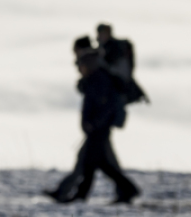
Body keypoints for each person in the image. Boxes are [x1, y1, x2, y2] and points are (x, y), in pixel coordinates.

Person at [47, 46, 139, 205]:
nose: (79, 69)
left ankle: (125, 190)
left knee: (93, 163)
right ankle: (123, 190)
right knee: (97, 163)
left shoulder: (99, 80)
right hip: (97, 128)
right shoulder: (95, 79)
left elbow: (105, 106)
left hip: (99, 129)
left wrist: (94, 123)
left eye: (81, 65)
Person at [96, 23, 148, 127]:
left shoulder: (114, 48)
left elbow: (115, 68)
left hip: (117, 85)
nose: (100, 36)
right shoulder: (107, 48)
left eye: (102, 33)